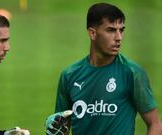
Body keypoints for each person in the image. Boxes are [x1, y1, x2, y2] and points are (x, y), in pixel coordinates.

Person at [45, 3, 162, 135]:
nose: (119, 37)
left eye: (121, 30)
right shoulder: (69, 76)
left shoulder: (132, 73)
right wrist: (54, 129)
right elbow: (61, 128)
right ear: (92, 33)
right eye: (111, 30)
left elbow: (155, 124)